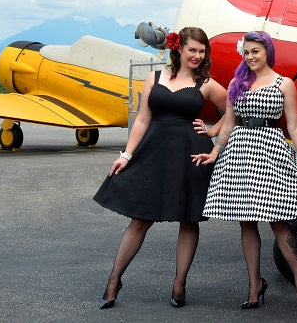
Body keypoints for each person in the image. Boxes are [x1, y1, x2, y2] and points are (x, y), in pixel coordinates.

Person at [192, 30, 297, 314]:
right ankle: (254, 285)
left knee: (279, 223)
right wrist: (215, 151)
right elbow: (229, 124)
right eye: (246, 52)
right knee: (246, 223)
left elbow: (292, 126)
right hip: (240, 156)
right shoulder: (236, 83)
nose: (250, 57)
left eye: (255, 51)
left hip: (270, 153)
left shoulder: (285, 84)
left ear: (267, 50)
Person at [92, 26, 228, 309]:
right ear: (178, 48)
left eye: (202, 52)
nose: (198, 56)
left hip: (190, 155)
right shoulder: (154, 78)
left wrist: (214, 130)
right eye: (193, 50)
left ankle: (179, 285)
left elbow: (235, 109)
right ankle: (114, 281)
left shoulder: (207, 84)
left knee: (188, 220)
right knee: (140, 219)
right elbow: (142, 119)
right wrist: (127, 155)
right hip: (153, 154)